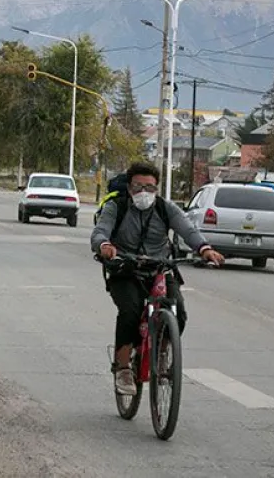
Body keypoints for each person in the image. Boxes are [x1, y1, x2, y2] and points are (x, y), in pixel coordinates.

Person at [91, 161, 224, 396]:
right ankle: (122, 367)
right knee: (131, 312)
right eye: (138, 187)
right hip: (125, 269)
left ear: (157, 189)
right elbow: (101, 230)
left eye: (150, 188)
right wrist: (105, 245)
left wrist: (204, 249)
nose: (144, 192)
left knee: (178, 312)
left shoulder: (165, 208)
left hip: (160, 268)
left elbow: (188, 229)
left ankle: (161, 354)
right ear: (129, 188)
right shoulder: (116, 206)